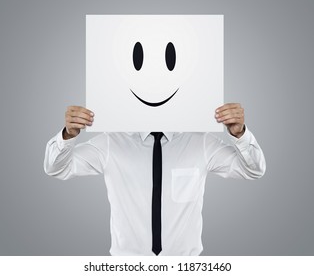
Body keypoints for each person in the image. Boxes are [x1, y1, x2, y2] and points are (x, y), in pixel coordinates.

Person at [44, 103, 266, 256]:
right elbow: (56, 168)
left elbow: (253, 170)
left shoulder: (201, 142)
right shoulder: (112, 143)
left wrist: (240, 135)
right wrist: (67, 136)